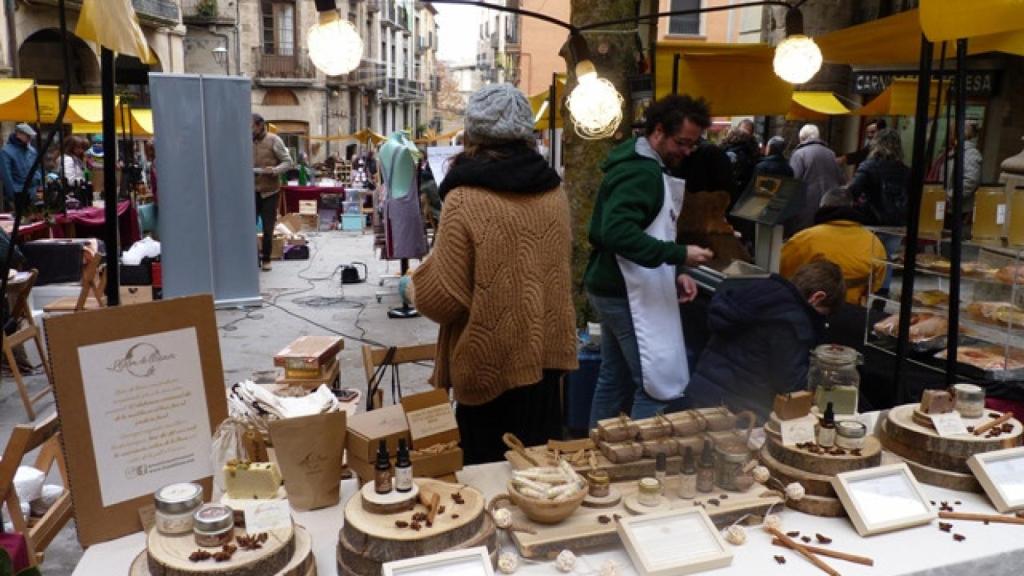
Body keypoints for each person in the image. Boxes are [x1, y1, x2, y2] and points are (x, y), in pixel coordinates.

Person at [410, 84, 577, 464]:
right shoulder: (555, 193)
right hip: (544, 362)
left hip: (489, 368)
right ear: (526, 134)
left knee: (486, 480)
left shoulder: (465, 198)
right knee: (538, 474)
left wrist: (412, 287)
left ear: (472, 134)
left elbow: (443, 299)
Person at [584, 94, 715, 426]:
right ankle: (637, 452)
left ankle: (593, 447)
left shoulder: (642, 164)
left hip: (612, 285)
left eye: (693, 145)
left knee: (613, 377)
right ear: (658, 131)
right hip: (623, 291)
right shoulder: (641, 172)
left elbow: (650, 229)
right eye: (681, 142)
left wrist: (676, 271)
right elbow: (616, 233)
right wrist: (679, 254)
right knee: (655, 387)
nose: (687, 151)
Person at [685, 259, 846, 421]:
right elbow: (791, 386)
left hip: (701, 396)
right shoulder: (792, 322)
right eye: (822, 314)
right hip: (742, 414)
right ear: (817, 297)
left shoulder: (754, 292)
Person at [781, 188, 887, 305]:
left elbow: (783, 272)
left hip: (813, 306)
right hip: (855, 306)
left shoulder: (804, 239)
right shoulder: (874, 242)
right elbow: (876, 283)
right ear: (852, 207)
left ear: (823, 207)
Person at [252, 113, 293, 271]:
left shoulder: (274, 140)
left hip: (270, 191)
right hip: (251, 191)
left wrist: (274, 170)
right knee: (249, 226)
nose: (249, 130)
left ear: (260, 125)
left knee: (268, 228)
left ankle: (267, 258)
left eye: (251, 126)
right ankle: (254, 258)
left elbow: (288, 162)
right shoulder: (245, 140)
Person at [788, 124, 846, 236]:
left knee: (805, 237)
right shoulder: (831, 153)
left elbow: (793, 182)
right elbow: (842, 180)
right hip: (828, 206)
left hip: (806, 208)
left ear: (802, 138)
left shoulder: (799, 154)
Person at [1, 124, 41, 206]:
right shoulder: (6, 152)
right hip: (19, 192)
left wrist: (40, 185)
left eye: (30, 136)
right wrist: (13, 195)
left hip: (34, 192)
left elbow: (37, 169)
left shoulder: (32, 150)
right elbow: (6, 176)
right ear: (18, 134)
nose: (30, 138)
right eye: (28, 135)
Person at [721, 126, 760, 195]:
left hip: (731, 191)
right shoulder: (748, 151)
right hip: (744, 190)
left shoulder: (731, 153)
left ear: (732, 137)